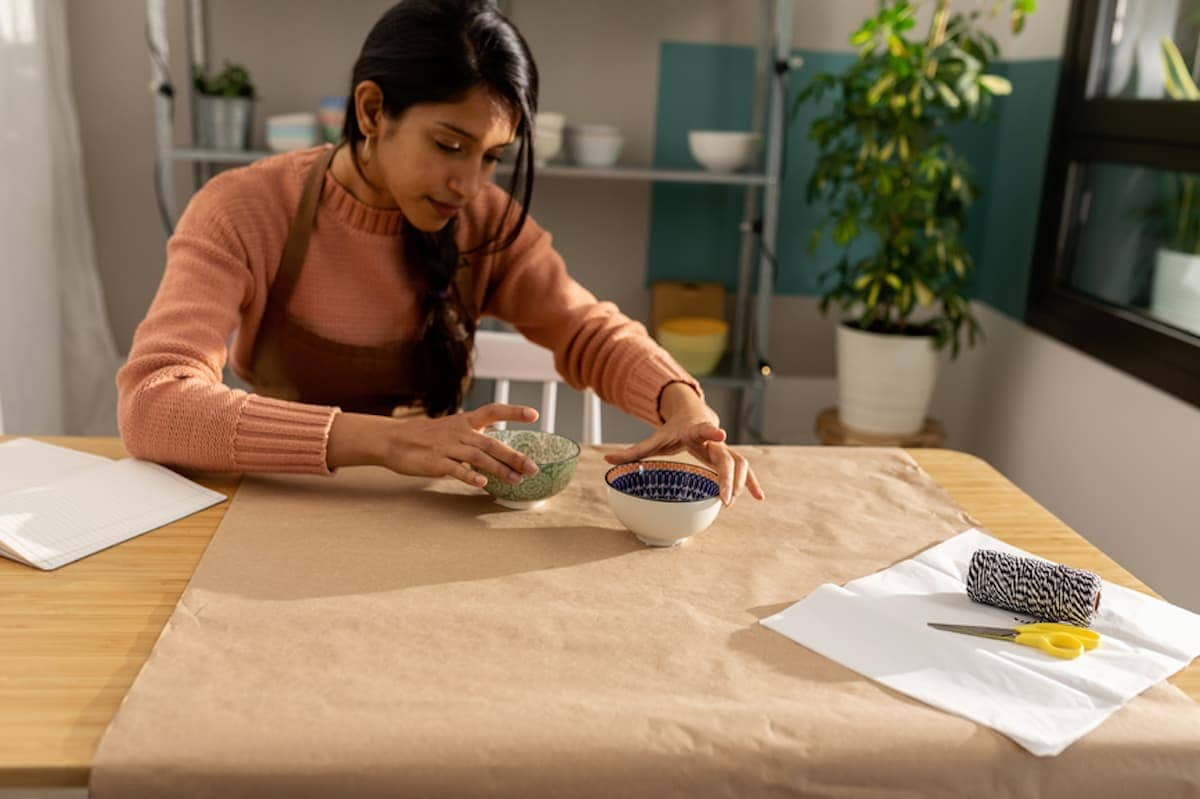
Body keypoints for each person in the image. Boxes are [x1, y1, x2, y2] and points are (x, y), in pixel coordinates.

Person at [117, 0, 763, 506]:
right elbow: (153, 403)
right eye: (450, 145)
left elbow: (588, 328)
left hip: (430, 513)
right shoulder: (243, 209)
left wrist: (682, 402)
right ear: (372, 111)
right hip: (278, 504)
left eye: (490, 158)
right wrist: (390, 441)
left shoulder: (482, 222)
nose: (470, 185)